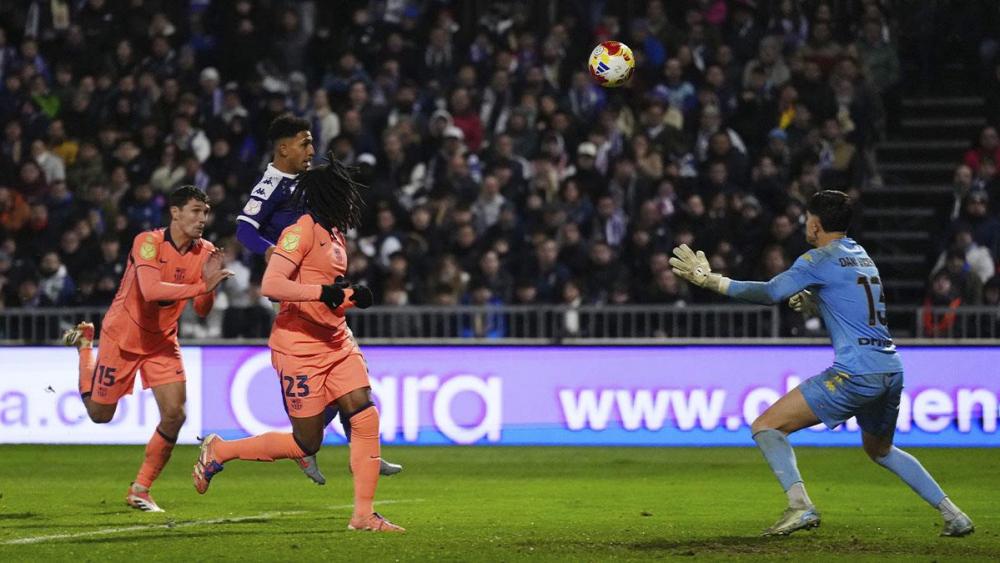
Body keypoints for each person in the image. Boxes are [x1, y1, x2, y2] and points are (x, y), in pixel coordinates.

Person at [668, 190, 974, 537]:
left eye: (806, 220)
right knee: (881, 449)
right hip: (890, 368)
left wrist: (712, 280)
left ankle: (800, 506)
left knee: (767, 426)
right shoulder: (859, 254)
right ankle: (954, 514)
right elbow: (853, 301)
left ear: (815, 224)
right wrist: (816, 301)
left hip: (856, 373)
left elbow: (770, 293)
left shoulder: (817, 259)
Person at [193, 157, 404, 532]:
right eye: (345, 195)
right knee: (306, 443)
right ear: (329, 196)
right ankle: (221, 450)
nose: (352, 203)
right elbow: (273, 286)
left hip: (337, 341)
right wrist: (326, 292)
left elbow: (327, 293)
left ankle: (363, 515)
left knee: (364, 412)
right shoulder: (300, 231)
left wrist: (352, 296)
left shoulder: (336, 233)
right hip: (299, 347)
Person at [235, 113, 402, 482]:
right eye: (304, 143)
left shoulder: (303, 182)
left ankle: (345, 449)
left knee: (348, 383)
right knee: (332, 382)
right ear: (283, 148)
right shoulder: (273, 183)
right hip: (294, 286)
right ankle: (306, 445)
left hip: (315, 279)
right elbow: (244, 228)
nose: (312, 149)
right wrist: (271, 253)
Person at [61, 186, 233, 512]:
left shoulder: (206, 251)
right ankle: (86, 344)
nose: (202, 219)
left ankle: (141, 488)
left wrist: (210, 286)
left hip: (162, 342)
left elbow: (201, 310)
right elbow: (151, 290)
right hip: (123, 337)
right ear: (175, 212)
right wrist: (201, 285)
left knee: (175, 414)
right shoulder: (148, 242)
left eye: (206, 212)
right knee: (100, 414)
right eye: (196, 211)